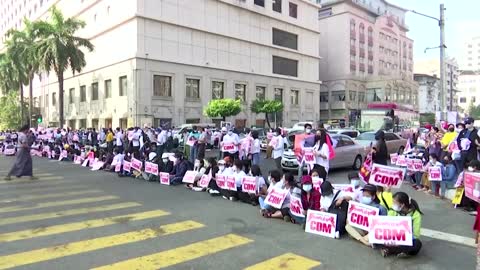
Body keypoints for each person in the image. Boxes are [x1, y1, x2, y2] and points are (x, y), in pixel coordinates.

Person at [379, 192, 423, 257]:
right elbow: (387, 227)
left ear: (402, 204)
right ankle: (401, 251)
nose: (393, 204)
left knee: (417, 244)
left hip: (406, 240)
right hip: (392, 238)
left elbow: (416, 235)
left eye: (394, 203)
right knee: (379, 239)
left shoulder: (415, 215)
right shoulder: (392, 211)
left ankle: (390, 250)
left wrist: (402, 241)